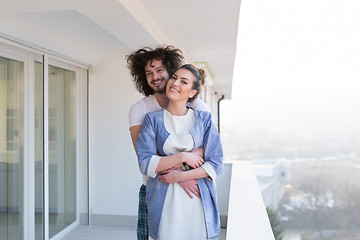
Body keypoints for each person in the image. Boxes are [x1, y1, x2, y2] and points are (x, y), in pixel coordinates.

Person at [127, 46, 210, 240]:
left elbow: (209, 149)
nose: (154, 76)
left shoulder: (196, 105)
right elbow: (145, 157)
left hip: (191, 188)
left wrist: (181, 175)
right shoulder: (140, 110)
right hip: (155, 187)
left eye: (159, 70)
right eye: (149, 73)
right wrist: (182, 171)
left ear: (172, 72)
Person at [137, 64, 223, 240]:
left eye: (183, 81)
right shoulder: (151, 120)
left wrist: (179, 176)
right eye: (174, 77)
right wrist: (185, 157)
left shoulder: (204, 120)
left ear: (192, 92)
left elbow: (216, 162)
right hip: (164, 201)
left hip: (198, 199)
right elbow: (146, 163)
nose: (175, 83)